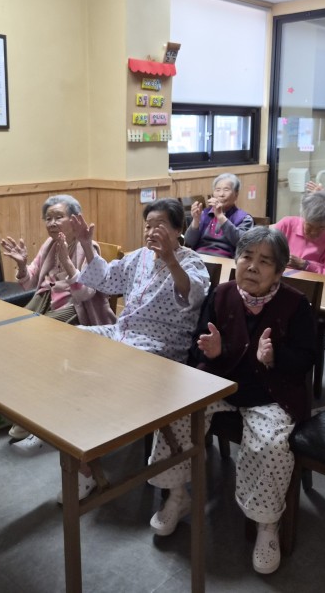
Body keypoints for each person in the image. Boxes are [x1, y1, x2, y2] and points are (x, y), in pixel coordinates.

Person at [146, 227, 317, 575]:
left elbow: (306, 359)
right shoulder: (222, 293)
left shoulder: (296, 304)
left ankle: (266, 524)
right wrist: (212, 351)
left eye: (264, 261)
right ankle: (178, 495)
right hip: (222, 382)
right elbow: (199, 343)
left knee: (270, 443)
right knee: (175, 415)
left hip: (270, 391)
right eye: (246, 257)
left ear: (279, 272)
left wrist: (276, 356)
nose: (252, 267)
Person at [62, 198, 211, 500]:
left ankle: (86, 460)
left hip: (160, 347)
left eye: (160, 225)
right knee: (72, 340)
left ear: (178, 229)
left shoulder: (191, 261)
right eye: (148, 225)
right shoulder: (138, 257)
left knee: (99, 370)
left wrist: (170, 259)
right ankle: (72, 438)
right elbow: (105, 279)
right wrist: (86, 244)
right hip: (122, 334)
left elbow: (191, 294)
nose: (152, 231)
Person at [0, 194, 116, 450]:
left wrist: (68, 264)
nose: (52, 223)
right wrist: (21, 265)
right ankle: (7, 407)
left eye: (58, 217)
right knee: (8, 333)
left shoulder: (88, 247)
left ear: (75, 220)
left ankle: (28, 412)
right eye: (48, 218)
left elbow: (85, 294)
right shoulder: (49, 244)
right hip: (46, 301)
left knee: (33, 342)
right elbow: (30, 281)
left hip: (76, 309)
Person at [184, 173, 255, 256]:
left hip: (226, 259)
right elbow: (189, 242)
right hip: (199, 257)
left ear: (236, 194)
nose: (221, 194)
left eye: (226, 190)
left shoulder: (245, 218)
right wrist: (196, 220)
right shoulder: (204, 214)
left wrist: (220, 216)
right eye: (217, 190)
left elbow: (242, 244)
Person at [273, 191, 325, 276]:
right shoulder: (286, 225)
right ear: (303, 216)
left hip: (312, 282)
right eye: (309, 225)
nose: (314, 232)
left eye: (321, 228)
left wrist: (305, 265)